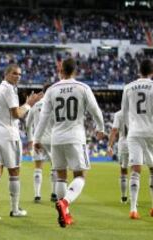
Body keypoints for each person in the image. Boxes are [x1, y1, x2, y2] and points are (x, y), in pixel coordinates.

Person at [33, 58, 104, 228]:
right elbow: (95, 110)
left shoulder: (51, 90)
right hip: (75, 136)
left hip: (56, 138)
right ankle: (65, 203)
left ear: (61, 70)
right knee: (80, 175)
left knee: (61, 176)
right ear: (75, 71)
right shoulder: (83, 88)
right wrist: (100, 127)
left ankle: (65, 213)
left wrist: (37, 138)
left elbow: (43, 118)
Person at [0, 64, 43, 220]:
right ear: (6, 74)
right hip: (8, 135)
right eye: (14, 73)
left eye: (19, 74)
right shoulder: (9, 89)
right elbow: (16, 113)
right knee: (14, 172)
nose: (17, 76)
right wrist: (29, 104)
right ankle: (14, 209)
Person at [121, 59, 153, 219]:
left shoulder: (128, 87)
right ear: (151, 72)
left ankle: (133, 209)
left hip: (134, 132)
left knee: (135, 170)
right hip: (151, 131)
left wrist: (131, 128)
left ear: (139, 70)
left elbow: (124, 113)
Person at [26, 83, 57, 203]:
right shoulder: (55, 105)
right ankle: (54, 194)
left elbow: (27, 124)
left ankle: (37, 195)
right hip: (52, 140)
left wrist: (30, 139)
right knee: (54, 167)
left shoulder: (35, 105)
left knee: (38, 167)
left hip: (37, 140)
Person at [107, 110, 129, 203]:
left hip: (124, 143)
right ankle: (134, 198)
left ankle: (124, 197)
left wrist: (110, 145)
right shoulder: (136, 111)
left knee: (123, 170)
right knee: (136, 170)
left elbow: (114, 130)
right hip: (137, 142)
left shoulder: (118, 114)